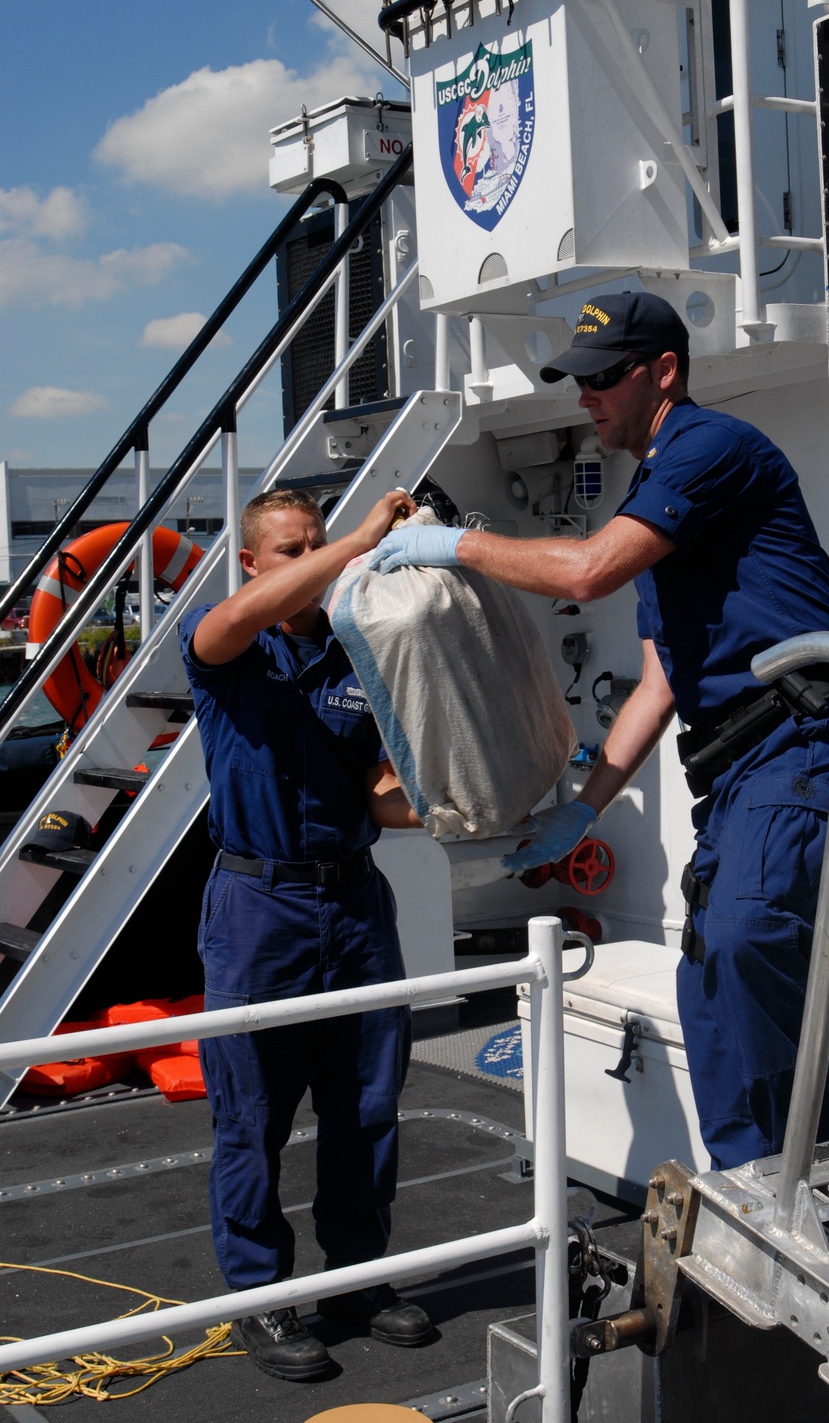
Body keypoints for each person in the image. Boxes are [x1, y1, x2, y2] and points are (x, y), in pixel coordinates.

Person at [370, 290, 829, 1171]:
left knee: (741, 942)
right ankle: (811, 1170)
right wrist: (585, 805)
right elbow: (660, 680)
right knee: (718, 969)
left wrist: (454, 547)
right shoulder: (654, 483)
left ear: (664, 373)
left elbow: (588, 569)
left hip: (802, 741)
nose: (587, 397)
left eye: (604, 378)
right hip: (741, 764)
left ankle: (766, 1191)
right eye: (579, 381)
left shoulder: (707, 447)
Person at [179, 486, 433, 1383]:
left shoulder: (353, 654)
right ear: (250, 564)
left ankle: (359, 1278)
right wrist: (361, 540)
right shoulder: (223, 646)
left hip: (354, 905)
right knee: (253, 1116)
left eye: (318, 544)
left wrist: (466, 807)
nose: (312, 559)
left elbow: (377, 795)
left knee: (365, 1106)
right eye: (293, 550)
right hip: (260, 911)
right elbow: (233, 624)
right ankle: (262, 1298)